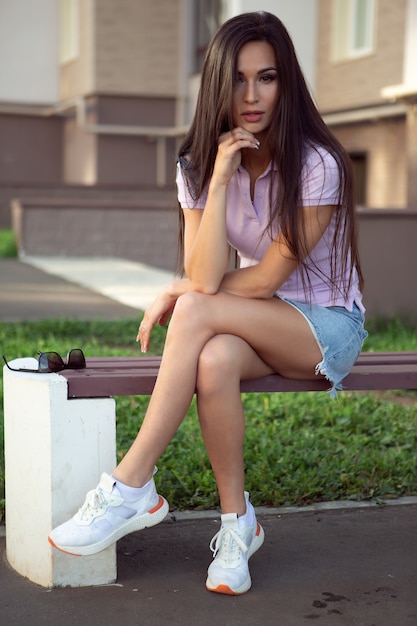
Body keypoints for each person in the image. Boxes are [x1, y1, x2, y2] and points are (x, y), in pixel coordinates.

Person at [48, 10, 368, 595]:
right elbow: (206, 272)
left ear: (286, 83)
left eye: (267, 78)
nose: (252, 95)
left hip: (325, 327)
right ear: (218, 83)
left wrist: (181, 290)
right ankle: (236, 525)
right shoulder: (197, 166)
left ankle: (131, 484)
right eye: (239, 79)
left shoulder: (317, 163)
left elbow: (265, 279)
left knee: (196, 310)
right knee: (215, 357)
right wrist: (219, 180)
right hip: (250, 323)